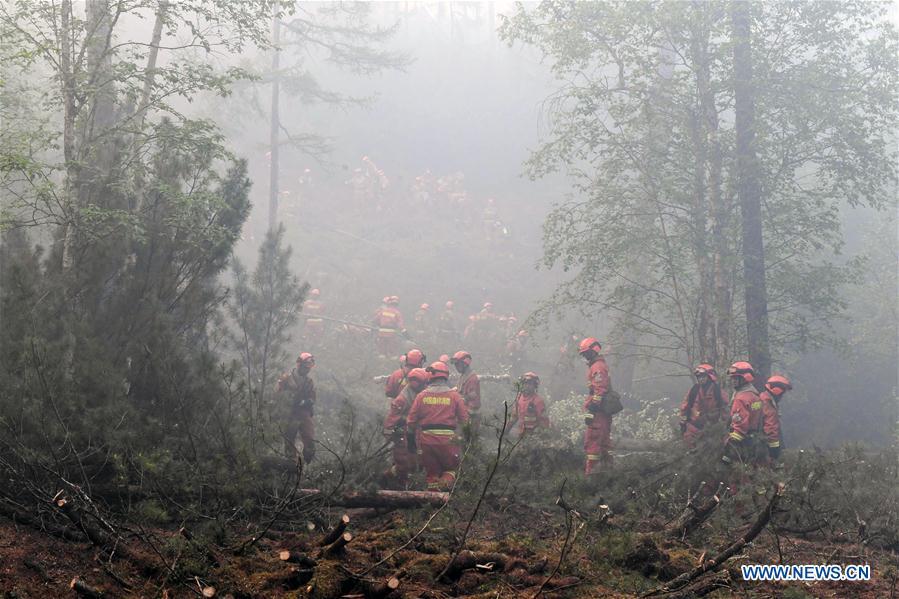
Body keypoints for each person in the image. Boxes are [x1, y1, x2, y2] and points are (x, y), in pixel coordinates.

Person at [406, 361, 470, 491]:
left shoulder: (421, 396)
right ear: (445, 376)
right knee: (451, 470)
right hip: (448, 442)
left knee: (432, 475)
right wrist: (468, 439)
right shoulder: (454, 396)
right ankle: (443, 496)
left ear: (429, 376)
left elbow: (411, 422)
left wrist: (411, 441)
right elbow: (465, 420)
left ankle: (432, 504)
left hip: (426, 442)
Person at [723, 361, 781, 466]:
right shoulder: (754, 396)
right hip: (755, 442)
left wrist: (730, 448)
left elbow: (740, 425)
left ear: (745, 378)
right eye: (733, 378)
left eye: (736, 378)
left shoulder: (741, 398)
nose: (733, 381)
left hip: (742, 445)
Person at [382, 367, 430, 487]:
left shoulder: (416, 393)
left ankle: (404, 483)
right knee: (403, 463)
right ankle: (389, 481)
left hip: (412, 433)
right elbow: (392, 417)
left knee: (415, 461)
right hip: (402, 433)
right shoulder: (403, 398)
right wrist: (389, 433)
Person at [579, 337, 613, 475]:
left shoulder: (597, 367)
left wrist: (592, 410)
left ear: (594, 351)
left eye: (586, 353)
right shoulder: (598, 366)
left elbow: (599, 390)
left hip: (598, 413)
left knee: (592, 443)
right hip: (602, 412)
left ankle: (590, 476)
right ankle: (608, 474)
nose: (585, 356)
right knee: (604, 445)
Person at [276, 353, 317, 463]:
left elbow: (313, 397)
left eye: (309, 368)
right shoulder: (286, 378)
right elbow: (278, 395)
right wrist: (290, 399)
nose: (307, 370)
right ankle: (292, 465)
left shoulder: (309, 382)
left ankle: (307, 462)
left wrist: (307, 401)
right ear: (299, 365)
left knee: (310, 442)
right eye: (305, 367)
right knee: (289, 439)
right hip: (289, 413)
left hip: (304, 413)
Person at [678, 363, 725, 446]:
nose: (701, 379)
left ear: (710, 377)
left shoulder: (717, 391)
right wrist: (683, 422)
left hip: (712, 428)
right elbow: (684, 407)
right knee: (689, 450)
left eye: (703, 376)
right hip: (693, 427)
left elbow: (725, 409)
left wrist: (723, 425)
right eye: (699, 377)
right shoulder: (694, 390)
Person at [759, 375, 792, 464]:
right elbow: (770, 426)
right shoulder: (768, 403)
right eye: (783, 392)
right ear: (777, 390)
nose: (783, 395)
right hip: (763, 443)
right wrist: (775, 449)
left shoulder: (761, 398)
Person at [451, 350, 481, 438]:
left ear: (465, 363)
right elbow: (460, 389)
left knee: (466, 439)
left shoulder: (472, 378)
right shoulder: (464, 375)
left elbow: (473, 394)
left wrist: (459, 399)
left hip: (471, 413)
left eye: (458, 364)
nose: (456, 367)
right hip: (465, 411)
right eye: (455, 364)